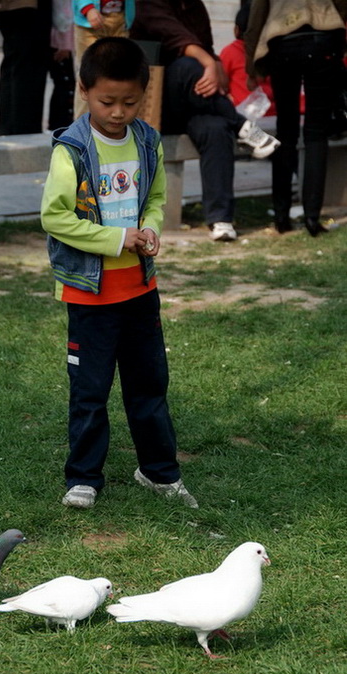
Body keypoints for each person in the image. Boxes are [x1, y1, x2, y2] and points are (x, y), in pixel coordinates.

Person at [41, 37, 198, 510]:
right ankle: (83, 478)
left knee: (149, 384)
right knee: (90, 392)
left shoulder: (147, 141)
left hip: (139, 289)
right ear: (85, 91)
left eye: (130, 102)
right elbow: (55, 217)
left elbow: (153, 200)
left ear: (144, 96)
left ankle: (159, 472)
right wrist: (116, 238)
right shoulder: (71, 150)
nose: (118, 112)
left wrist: (149, 230)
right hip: (89, 294)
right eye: (107, 101)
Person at [130, 0, 280, 241]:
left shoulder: (194, 8)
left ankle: (220, 219)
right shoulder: (149, 3)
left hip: (193, 103)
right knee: (187, 66)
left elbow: (208, 51)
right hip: (156, 105)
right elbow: (178, 39)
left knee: (217, 128)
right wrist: (209, 63)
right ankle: (242, 125)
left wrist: (214, 66)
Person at [245, 0, 347, 236]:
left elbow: (255, 17)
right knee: (316, 132)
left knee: (286, 131)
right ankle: (312, 218)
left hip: (283, 43)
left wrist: (252, 67)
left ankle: (282, 217)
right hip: (324, 38)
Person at [0, 0, 52, 134]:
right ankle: (24, 129)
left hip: (10, 6)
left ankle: (10, 129)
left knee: (14, 61)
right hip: (27, 6)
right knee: (29, 65)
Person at [73, 0, 135, 118]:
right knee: (89, 73)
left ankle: (114, 119)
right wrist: (87, 8)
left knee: (119, 73)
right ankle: (83, 124)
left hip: (119, 19)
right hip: (89, 21)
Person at [220, 3, 276, 114]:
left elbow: (222, 84)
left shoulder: (229, 51)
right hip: (274, 111)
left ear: (236, 30)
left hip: (244, 113)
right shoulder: (271, 51)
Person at [48, 0, 75, 130]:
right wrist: (64, 44)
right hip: (60, 42)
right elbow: (62, 15)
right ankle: (59, 126)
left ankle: (60, 125)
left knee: (66, 84)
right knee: (65, 84)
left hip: (65, 40)